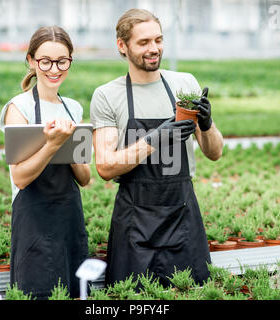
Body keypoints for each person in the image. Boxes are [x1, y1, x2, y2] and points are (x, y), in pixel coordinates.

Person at [90, 9, 224, 289]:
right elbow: (104, 166)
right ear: (122, 46)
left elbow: (214, 152)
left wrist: (208, 124)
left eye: (158, 40)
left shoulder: (184, 84)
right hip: (134, 222)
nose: (154, 49)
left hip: (182, 213)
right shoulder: (107, 95)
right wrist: (155, 139)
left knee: (191, 292)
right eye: (143, 43)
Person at [0, 26, 90, 299]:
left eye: (63, 61)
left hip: (68, 219)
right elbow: (20, 177)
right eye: (46, 61)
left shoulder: (73, 108)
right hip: (33, 223)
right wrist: (52, 145)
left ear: (70, 60)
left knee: (74, 292)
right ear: (31, 60)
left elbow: (85, 179)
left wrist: (71, 143)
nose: (55, 69)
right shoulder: (19, 108)